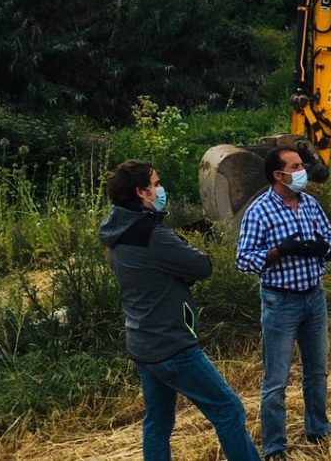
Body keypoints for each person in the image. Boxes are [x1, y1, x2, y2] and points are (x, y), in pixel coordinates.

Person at [98, 160, 261, 461]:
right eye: (156, 184)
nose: (161, 190)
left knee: (157, 424)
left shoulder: (116, 231)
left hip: (142, 341)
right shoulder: (150, 233)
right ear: (141, 192)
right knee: (228, 408)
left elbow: (150, 272)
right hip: (171, 343)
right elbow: (202, 265)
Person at [235, 146, 331, 460]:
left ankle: (318, 429)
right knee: (276, 378)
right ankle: (274, 446)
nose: (303, 171)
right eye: (296, 166)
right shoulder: (259, 211)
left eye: (301, 165)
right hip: (280, 302)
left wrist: (322, 249)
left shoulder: (311, 204)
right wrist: (278, 252)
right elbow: (243, 261)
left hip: (314, 297)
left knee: (317, 371)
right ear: (278, 174)